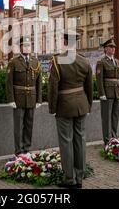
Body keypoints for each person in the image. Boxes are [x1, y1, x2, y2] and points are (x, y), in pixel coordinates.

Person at [48, 31, 93, 189]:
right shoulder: (84, 61)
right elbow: (89, 87)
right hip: (81, 104)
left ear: (65, 42)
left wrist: (52, 107)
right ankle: (79, 177)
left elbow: (53, 87)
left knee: (66, 142)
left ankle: (69, 179)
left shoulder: (57, 60)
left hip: (64, 105)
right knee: (80, 140)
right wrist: (88, 105)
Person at [6, 36, 42, 156]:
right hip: (18, 98)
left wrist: (39, 99)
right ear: (20, 47)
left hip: (31, 98)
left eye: (29, 45)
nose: (27, 48)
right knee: (18, 126)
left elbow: (39, 82)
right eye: (24, 45)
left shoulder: (35, 62)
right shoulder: (14, 62)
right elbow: (9, 83)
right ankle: (19, 151)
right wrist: (11, 99)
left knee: (29, 125)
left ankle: (27, 149)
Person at [96, 38, 119, 145]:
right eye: (111, 47)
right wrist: (101, 93)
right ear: (105, 49)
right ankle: (107, 140)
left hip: (117, 92)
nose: (113, 49)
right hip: (107, 93)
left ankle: (114, 137)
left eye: (114, 47)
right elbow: (99, 79)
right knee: (107, 117)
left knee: (115, 116)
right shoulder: (101, 62)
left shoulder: (118, 62)